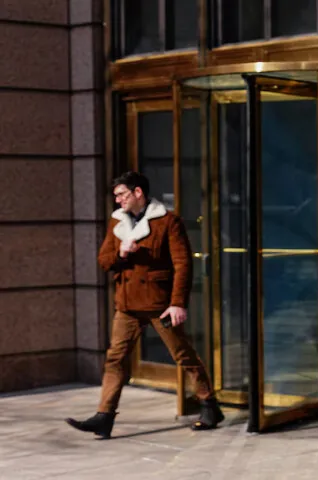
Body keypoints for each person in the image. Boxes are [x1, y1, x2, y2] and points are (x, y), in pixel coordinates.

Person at [66, 171, 223, 438]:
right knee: (115, 358)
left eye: (121, 194)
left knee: (182, 354)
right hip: (126, 304)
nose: (117, 201)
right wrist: (122, 253)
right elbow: (104, 260)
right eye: (116, 196)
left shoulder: (167, 222)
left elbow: (183, 264)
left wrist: (177, 303)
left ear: (138, 192)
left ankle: (209, 404)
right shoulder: (117, 222)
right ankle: (105, 415)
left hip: (159, 303)